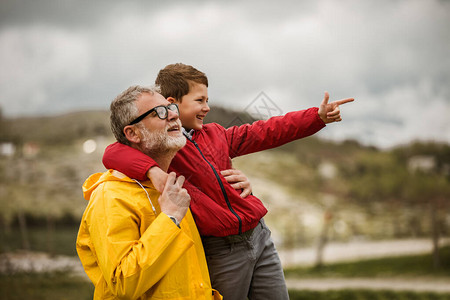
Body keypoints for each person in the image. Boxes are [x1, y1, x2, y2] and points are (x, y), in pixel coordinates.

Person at [103, 63, 354, 299]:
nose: (207, 107)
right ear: (172, 105)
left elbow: (267, 131)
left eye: (208, 100)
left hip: (259, 235)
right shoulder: (165, 145)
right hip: (221, 251)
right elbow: (112, 153)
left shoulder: (217, 134)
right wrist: (152, 171)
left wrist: (316, 117)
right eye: (200, 100)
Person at [76, 85, 222, 299]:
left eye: (171, 107)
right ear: (133, 133)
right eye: (160, 112)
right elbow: (123, 282)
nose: (174, 114)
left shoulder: (170, 186)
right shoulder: (110, 196)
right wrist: (170, 218)